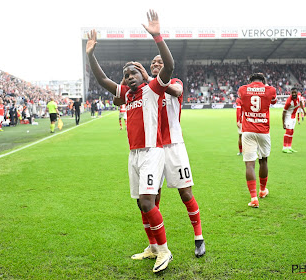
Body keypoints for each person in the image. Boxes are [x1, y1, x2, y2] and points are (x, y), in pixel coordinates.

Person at [86, 10, 174, 273]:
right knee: (140, 203)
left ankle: (165, 251)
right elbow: (102, 80)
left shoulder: (152, 89)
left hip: (152, 151)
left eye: (133, 73)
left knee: (148, 202)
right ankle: (153, 248)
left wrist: (157, 36)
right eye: (125, 75)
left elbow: (169, 67)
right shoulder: (126, 94)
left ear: (143, 74)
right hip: (134, 154)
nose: (128, 77)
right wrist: (91, 55)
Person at [129, 55, 206, 258]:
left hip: (174, 147)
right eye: (153, 62)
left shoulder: (174, 82)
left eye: (159, 62)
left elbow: (177, 91)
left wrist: (147, 78)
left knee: (186, 194)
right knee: (151, 199)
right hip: (153, 148)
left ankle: (199, 238)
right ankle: (154, 246)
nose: (155, 64)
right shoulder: (148, 89)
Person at [238, 73, 277, 208]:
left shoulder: (242, 89)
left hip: (248, 130)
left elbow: (241, 101)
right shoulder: (271, 89)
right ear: (263, 80)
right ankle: (262, 190)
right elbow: (273, 102)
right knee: (263, 160)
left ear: (250, 80)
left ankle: (254, 198)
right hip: (263, 130)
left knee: (249, 164)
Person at [282, 88, 306, 153]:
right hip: (288, 116)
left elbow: (300, 102)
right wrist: (283, 123)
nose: (294, 94)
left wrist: (303, 110)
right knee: (288, 131)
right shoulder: (289, 101)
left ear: (297, 93)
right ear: (291, 93)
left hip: (293, 116)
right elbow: (284, 112)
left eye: (295, 93)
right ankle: (284, 148)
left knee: (292, 131)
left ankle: (289, 147)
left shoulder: (299, 97)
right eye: (293, 93)